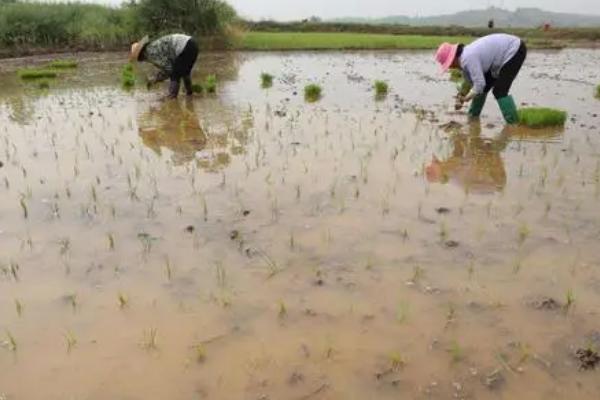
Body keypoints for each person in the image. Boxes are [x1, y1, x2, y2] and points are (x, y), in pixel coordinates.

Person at [435, 34, 527, 124]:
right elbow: (470, 81)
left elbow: (479, 84)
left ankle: (514, 125)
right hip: (499, 57)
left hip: (514, 50)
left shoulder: (467, 58)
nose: (451, 67)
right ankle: (473, 117)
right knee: (483, 88)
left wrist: (466, 98)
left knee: (499, 91)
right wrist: (461, 95)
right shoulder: (464, 59)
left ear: (452, 59)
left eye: (449, 65)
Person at [130, 34, 199, 99]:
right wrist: (156, 79)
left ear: (141, 55)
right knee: (184, 72)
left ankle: (172, 97)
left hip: (185, 47)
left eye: (140, 58)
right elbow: (167, 66)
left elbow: (168, 69)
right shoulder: (153, 47)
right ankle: (189, 94)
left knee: (175, 74)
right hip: (192, 44)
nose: (142, 60)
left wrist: (155, 79)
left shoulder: (150, 53)